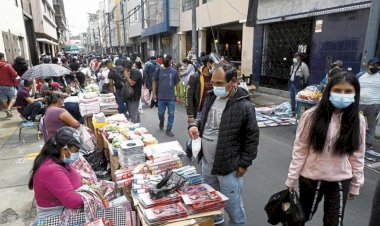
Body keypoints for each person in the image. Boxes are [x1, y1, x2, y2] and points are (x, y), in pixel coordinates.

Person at [285, 71, 365, 225]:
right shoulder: (310, 116)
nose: (342, 95)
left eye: (348, 91)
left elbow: (357, 154)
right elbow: (300, 150)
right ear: (329, 91)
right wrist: (291, 179)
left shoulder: (358, 120)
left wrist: (356, 184)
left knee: (334, 223)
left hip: (341, 180)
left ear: (355, 93)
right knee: (300, 218)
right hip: (311, 178)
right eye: (337, 90)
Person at [188, 66, 259, 225]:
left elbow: (252, 138)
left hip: (229, 167)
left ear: (233, 82)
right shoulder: (211, 97)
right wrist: (194, 126)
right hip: (207, 164)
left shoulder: (244, 106)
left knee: (233, 208)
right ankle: (218, 221)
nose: (215, 87)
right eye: (213, 83)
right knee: (213, 203)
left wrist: (244, 164)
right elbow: (203, 118)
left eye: (220, 83)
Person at [29, 126, 85, 223]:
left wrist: (82, 181)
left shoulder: (59, 159)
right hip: (54, 218)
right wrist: (92, 193)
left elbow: (74, 176)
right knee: (112, 214)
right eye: (76, 151)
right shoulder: (51, 170)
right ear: (64, 149)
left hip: (63, 210)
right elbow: (73, 201)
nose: (77, 154)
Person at [152, 55, 180, 137]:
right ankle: (161, 121)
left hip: (171, 97)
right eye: (166, 61)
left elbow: (178, 84)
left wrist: (177, 96)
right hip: (161, 97)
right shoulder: (158, 70)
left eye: (169, 61)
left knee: (171, 114)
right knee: (161, 113)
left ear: (171, 61)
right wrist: (154, 94)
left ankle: (169, 129)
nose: (167, 63)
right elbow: (154, 81)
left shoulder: (174, 71)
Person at [357, 57, 380, 151]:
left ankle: (368, 144)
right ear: (368, 66)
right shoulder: (360, 76)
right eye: (373, 65)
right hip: (360, 104)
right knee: (357, 124)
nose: (376, 67)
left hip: (374, 105)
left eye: (378, 65)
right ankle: (356, 140)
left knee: (371, 125)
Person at [186, 55, 215, 123]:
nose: (216, 67)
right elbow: (189, 96)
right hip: (199, 112)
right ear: (208, 64)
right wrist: (190, 114)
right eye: (214, 65)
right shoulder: (195, 77)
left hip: (212, 112)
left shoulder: (215, 77)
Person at [0, 52, 19, 118]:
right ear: (2, 57)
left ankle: (9, 113)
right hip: (9, 85)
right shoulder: (7, 65)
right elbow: (14, 74)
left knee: (4, 99)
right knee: (13, 97)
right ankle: (8, 109)